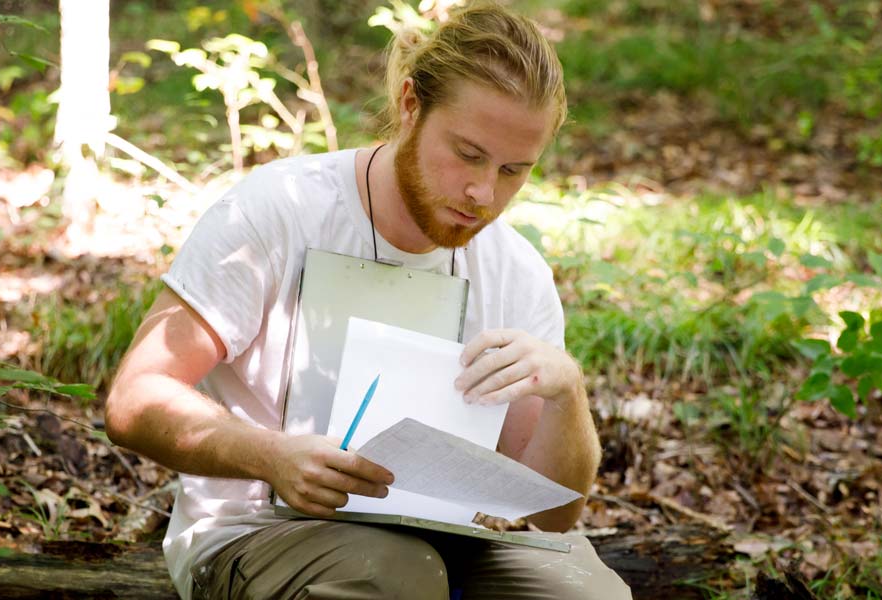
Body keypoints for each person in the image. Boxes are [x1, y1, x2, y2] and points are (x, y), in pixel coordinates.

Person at [104, 3, 630, 598]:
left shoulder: (516, 271)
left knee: (585, 592)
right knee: (395, 574)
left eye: (514, 170)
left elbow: (551, 519)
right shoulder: (280, 209)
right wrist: (272, 456)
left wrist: (566, 391)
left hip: (459, 541)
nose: (484, 193)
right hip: (260, 532)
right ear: (410, 106)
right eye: (468, 154)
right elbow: (134, 398)